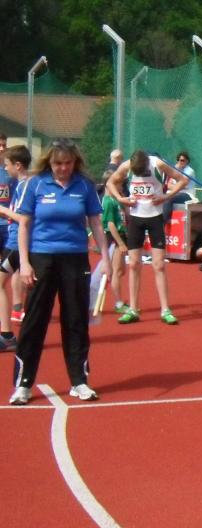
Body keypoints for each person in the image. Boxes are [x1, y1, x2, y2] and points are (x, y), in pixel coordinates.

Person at [9, 138, 111, 405]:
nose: (63, 168)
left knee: (76, 320)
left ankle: (79, 381)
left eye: (67, 163)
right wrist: (25, 263)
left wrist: (105, 258)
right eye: (57, 163)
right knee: (34, 321)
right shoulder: (35, 184)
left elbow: (95, 223)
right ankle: (23, 384)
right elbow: (23, 225)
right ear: (49, 162)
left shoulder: (84, 185)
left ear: (75, 162)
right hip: (42, 257)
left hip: (75, 259)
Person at [106, 149, 188, 325]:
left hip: (155, 218)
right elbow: (110, 182)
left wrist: (166, 196)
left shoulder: (158, 164)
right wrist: (121, 199)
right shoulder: (126, 165)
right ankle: (133, 309)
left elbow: (183, 180)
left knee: (159, 265)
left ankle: (165, 310)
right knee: (134, 264)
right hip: (136, 219)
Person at [0, 145, 31, 352]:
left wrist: (3, 210)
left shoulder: (24, 186)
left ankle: (7, 335)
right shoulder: (23, 184)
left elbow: (24, 219)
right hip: (16, 241)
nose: (5, 168)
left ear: (17, 165)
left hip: (16, 242)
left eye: (7, 164)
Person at [100, 181, 129, 314]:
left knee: (121, 270)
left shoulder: (116, 200)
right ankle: (118, 303)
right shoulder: (108, 202)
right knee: (116, 271)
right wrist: (120, 243)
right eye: (118, 184)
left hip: (121, 235)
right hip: (114, 238)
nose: (121, 187)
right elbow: (110, 225)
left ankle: (118, 300)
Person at [161, 151, 197, 230]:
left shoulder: (189, 171)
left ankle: (163, 224)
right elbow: (168, 185)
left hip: (187, 195)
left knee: (168, 198)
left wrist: (176, 186)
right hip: (176, 193)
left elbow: (182, 184)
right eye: (179, 160)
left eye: (182, 160)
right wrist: (177, 186)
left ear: (187, 161)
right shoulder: (175, 170)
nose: (180, 162)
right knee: (161, 197)